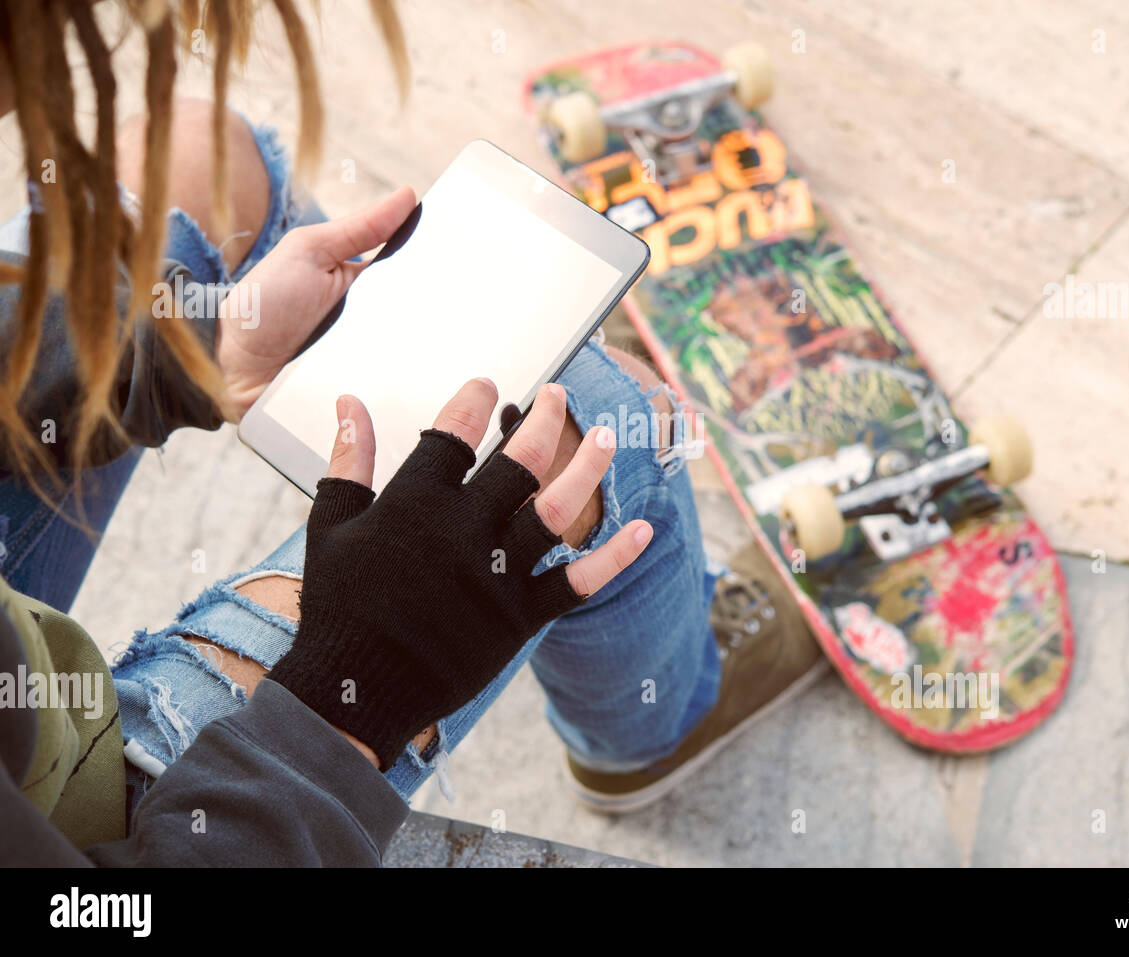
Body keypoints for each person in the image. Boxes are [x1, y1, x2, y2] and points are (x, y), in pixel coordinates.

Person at [0, 0, 824, 866]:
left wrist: (199, 348)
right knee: (587, 412)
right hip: (138, 832)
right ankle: (654, 728)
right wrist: (344, 705)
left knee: (196, 154)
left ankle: (381, 443)